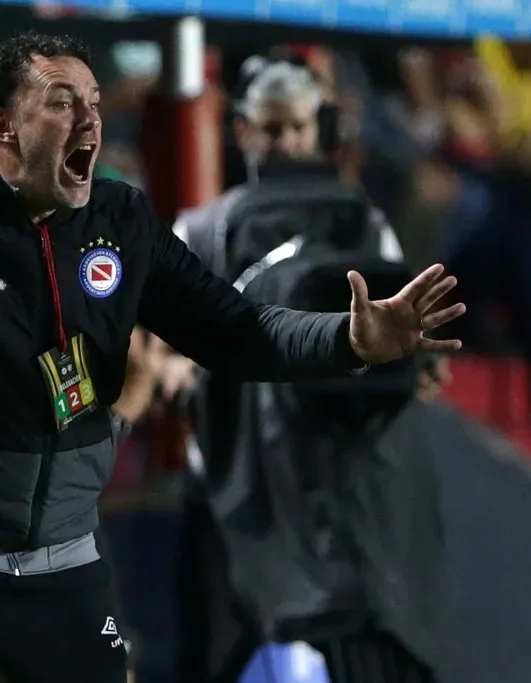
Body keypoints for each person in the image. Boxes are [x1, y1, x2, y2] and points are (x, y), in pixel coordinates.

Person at [0, 32, 464, 683]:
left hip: (61, 550)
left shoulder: (121, 221)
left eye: (96, 104)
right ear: (3, 125)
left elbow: (239, 329)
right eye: (62, 103)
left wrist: (347, 340)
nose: (90, 122)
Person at [173, 55, 447, 683]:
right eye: (270, 130)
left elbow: (404, 327)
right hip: (234, 471)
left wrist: (418, 363)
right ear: (242, 131)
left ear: (315, 129)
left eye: (296, 128)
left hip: (346, 475)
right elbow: (177, 343)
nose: (285, 144)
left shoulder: (365, 223)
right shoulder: (202, 230)